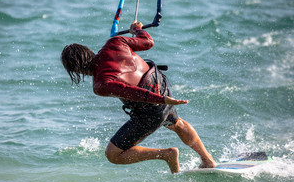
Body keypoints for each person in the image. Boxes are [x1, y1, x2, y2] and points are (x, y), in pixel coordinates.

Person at [61, 21, 216, 173]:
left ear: (76, 70)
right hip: (160, 84)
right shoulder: (115, 42)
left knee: (113, 155)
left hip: (153, 106)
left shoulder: (100, 84)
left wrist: (160, 100)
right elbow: (148, 42)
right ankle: (208, 160)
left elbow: (130, 91)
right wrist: (138, 30)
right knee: (177, 124)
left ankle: (166, 154)